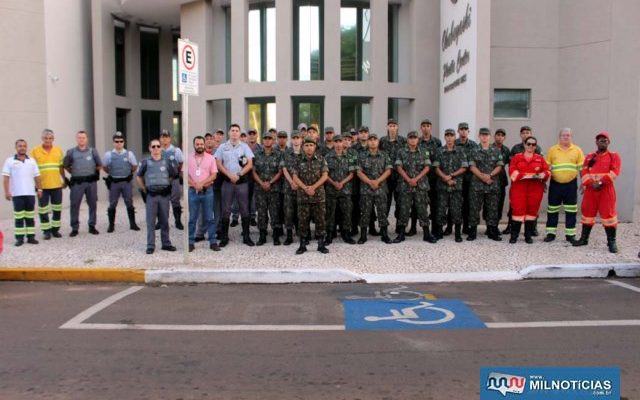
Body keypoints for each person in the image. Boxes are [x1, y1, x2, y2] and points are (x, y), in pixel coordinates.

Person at [573, 131, 621, 253]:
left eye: (604, 140)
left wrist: (599, 182)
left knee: (609, 215)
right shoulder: (589, 157)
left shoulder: (614, 156)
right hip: (590, 190)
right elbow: (584, 172)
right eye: (600, 140)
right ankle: (584, 239)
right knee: (587, 214)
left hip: (606, 190)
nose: (602, 142)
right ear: (596, 142)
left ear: (608, 142)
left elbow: (614, 172)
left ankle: (611, 242)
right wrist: (590, 183)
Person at [215, 123, 255, 247]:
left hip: (241, 182)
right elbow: (218, 163)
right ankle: (224, 237)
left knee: (244, 209)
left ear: (239, 133)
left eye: (237, 130)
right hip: (227, 182)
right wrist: (229, 175)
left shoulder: (245, 147)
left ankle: (246, 236)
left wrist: (239, 174)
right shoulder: (222, 147)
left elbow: (249, 164)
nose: (234, 132)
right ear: (229, 132)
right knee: (225, 210)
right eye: (232, 130)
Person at [394, 130, 437, 243]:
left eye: (415, 138)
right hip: (405, 185)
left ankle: (426, 234)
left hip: (420, 185)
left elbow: (427, 167)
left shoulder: (424, 152)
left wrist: (415, 179)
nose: (413, 140)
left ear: (418, 140)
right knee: (404, 209)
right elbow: (399, 167)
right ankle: (401, 234)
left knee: (422, 210)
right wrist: (409, 180)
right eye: (410, 137)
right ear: (407, 139)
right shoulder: (401, 152)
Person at [136, 139, 178, 254]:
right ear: (149, 148)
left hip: (164, 196)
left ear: (161, 148)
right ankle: (150, 245)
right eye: (153, 146)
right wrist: (144, 189)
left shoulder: (167, 161)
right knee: (151, 221)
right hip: (151, 196)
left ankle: (166, 243)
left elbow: (173, 175)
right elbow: (138, 176)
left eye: (158, 146)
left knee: (164, 220)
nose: (155, 149)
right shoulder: (145, 162)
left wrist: (165, 184)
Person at [543, 128, 585, 243]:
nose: (566, 137)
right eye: (563, 135)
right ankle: (551, 234)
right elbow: (546, 168)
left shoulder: (577, 150)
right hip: (555, 184)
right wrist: (543, 182)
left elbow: (582, 168)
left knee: (571, 210)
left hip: (571, 185)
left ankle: (570, 235)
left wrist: (584, 182)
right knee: (552, 209)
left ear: (571, 137)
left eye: (568, 135)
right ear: (559, 137)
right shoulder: (552, 150)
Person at [508, 136, 550, 244]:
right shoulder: (517, 158)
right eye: (529, 144)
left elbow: (548, 171)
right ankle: (514, 236)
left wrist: (542, 175)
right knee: (517, 212)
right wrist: (527, 176)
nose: (531, 146)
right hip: (519, 189)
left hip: (535, 189)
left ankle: (528, 236)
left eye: (533, 144)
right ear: (525, 145)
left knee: (532, 212)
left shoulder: (540, 159)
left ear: (535, 146)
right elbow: (512, 172)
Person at [291, 138, 329, 255]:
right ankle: (302, 244)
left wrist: (313, 187)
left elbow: (325, 176)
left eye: (311, 145)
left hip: (318, 196)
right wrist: (305, 188)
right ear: (303, 147)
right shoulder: (297, 160)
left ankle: (321, 244)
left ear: (315, 147)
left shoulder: (321, 159)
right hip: (303, 196)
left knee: (320, 220)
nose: (309, 147)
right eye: (306, 145)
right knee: (303, 221)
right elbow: (295, 177)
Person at [504, 126, 543, 235]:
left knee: (532, 207)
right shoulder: (515, 148)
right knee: (514, 205)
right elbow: (511, 165)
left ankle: (532, 228)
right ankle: (510, 226)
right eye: (523, 133)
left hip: (533, 184)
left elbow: (541, 167)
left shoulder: (537, 148)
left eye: (528, 132)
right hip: (517, 184)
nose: (525, 134)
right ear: (520, 135)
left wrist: (542, 182)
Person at [3, 139, 42, 246]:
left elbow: (37, 177)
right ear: (16, 148)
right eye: (20, 146)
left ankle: (31, 237)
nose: (22, 147)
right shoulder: (9, 161)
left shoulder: (32, 161)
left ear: (26, 147)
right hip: (17, 194)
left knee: (30, 217)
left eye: (24, 146)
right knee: (19, 218)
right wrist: (7, 192)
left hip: (30, 194)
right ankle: (19, 239)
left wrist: (39, 189)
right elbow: (6, 178)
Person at [468, 128, 504, 241]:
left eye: (486, 135)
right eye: (482, 135)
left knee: (492, 208)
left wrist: (490, 175)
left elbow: (499, 165)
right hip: (477, 185)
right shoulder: (474, 150)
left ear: (490, 136)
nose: (484, 137)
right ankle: (472, 232)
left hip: (492, 184)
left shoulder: (496, 150)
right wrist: (483, 177)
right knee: (474, 208)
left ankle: (492, 231)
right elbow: (472, 166)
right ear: (479, 136)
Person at [356, 133, 393, 245]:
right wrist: (370, 182)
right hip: (366, 189)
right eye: (370, 140)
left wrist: (377, 181)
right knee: (365, 212)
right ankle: (363, 235)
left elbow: (388, 170)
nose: (372, 142)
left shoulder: (384, 155)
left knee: (382, 211)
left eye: (375, 139)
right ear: (367, 142)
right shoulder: (361, 155)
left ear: (378, 142)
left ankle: (384, 234)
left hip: (381, 188)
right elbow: (358, 172)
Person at [64, 130, 102, 236]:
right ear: (76, 139)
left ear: (87, 139)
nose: (81, 139)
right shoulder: (70, 152)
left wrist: (94, 173)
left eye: (83, 137)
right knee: (75, 205)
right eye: (79, 137)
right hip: (77, 183)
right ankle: (74, 228)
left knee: (92, 204)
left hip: (91, 182)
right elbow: (66, 165)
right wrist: (74, 173)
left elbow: (99, 165)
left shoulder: (93, 151)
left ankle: (92, 226)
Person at [433, 129, 468, 242]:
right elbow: (436, 167)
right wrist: (445, 178)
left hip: (456, 185)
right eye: (447, 135)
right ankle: (439, 232)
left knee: (456, 210)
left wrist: (451, 176)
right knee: (441, 209)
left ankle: (457, 233)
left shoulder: (461, 151)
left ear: (454, 137)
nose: (449, 138)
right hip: (442, 186)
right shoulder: (439, 151)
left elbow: (464, 167)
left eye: (451, 135)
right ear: (444, 137)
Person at [31, 128, 65, 239]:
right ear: (42, 138)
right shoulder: (35, 151)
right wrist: (36, 186)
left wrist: (64, 179)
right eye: (46, 138)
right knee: (43, 210)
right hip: (42, 186)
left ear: (53, 139)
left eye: (50, 138)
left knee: (57, 209)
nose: (48, 140)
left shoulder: (58, 150)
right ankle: (46, 231)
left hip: (56, 185)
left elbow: (61, 167)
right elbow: (32, 169)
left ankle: (55, 230)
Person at [187, 136, 219, 252]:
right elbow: (184, 174)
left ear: (204, 145)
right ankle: (190, 242)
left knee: (210, 218)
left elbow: (214, 175)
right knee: (192, 218)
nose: (199, 146)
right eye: (197, 144)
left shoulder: (211, 158)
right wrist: (195, 184)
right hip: (193, 191)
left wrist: (201, 183)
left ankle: (213, 242)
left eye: (201, 144)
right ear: (194, 145)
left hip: (207, 191)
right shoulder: (188, 158)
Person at [103, 132, 140, 233]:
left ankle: (132, 224)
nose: (119, 143)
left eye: (121, 141)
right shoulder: (109, 154)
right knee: (112, 203)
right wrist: (112, 173)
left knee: (129, 202)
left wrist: (128, 172)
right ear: (113, 142)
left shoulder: (129, 154)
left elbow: (134, 166)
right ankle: (111, 225)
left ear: (124, 142)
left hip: (126, 182)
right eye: (116, 141)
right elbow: (105, 167)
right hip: (114, 182)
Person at [251, 131, 283, 246]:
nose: (268, 140)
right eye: (265, 139)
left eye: (270, 138)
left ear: (273, 140)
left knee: (275, 212)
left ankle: (275, 235)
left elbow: (280, 171)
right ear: (262, 140)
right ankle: (262, 235)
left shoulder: (278, 154)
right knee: (261, 213)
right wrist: (261, 183)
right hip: (260, 189)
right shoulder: (257, 154)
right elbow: (253, 171)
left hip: (274, 188)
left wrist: (270, 182)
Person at [324, 134, 356, 245]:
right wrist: (334, 183)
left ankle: (346, 233)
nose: (338, 144)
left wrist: (341, 183)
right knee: (330, 213)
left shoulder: (349, 157)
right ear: (333, 143)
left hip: (345, 190)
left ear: (343, 143)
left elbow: (352, 174)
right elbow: (325, 174)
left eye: (340, 142)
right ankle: (329, 234)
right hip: (331, 190)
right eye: (336, 142)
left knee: (346, 212)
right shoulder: (327, 157)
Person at [379, 118, 407, 233]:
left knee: (400, 203)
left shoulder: (403, 141)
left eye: (394, 125)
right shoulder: (382, 141)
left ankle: (400, 227)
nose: (392, 128)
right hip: (386, 177)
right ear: (387, 127)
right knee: (385, 202)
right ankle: (383, 227)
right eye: (390, 125)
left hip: (399, 177)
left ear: (397, 127)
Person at [418, 118, 441, 237]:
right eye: (423, 126)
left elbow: (439, 159)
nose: (426, 128)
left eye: (428, 125)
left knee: (435, 205)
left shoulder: (437, 142)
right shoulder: (418, 142)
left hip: (434, 178)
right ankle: (416, 228)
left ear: (431, 127)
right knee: (421, 205)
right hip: (421, 179)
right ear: (421, 128)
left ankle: (435, 230)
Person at [454, 122, 479, 235]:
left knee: (468, 203)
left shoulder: (474, 145)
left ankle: (466, 226)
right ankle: (450, 227)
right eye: (461, 129)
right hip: (456, 178)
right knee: (455, 203)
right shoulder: (453, 144)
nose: (463, 131)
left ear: (468, 131)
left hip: (470, 179)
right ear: (458, 131)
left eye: (465, 129)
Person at [281, 130, 303, 245]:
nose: (296, 140)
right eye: (294, 138)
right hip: (288, 188)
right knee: (288, 212)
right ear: (291, 139)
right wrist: (291, 183)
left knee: (301, 212)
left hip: (301, 188)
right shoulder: (286, 152)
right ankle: (289, 236)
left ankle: (302, 234)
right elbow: (284, 169)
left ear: (301, 139)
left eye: (297, 138)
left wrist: (299, 184)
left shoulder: (305, 152)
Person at [159, 130, 184, 230]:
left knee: (175, 200)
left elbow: (181, 163)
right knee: (160, 201)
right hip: (161, 180)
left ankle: (178, 221)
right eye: (162, 136)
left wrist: (175, 173)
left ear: (170, 138)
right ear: (160, 138)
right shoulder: (158, 149)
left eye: (166, 136)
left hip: (174, 179)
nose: (164, 139)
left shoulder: (176, 150)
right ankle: (160, 222)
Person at [492, 129, 510, 231]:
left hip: (501, 180)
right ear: (494, 136)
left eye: (502, 135)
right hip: (490, 180)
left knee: (499, 204)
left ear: (504, 138)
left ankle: (496, 225)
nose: (500, 137)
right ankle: (489, 225)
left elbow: (508, 163)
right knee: (489, 205)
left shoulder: (506, 150)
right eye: (498, 135)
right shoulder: (490, 148)